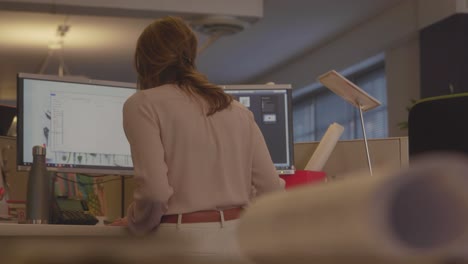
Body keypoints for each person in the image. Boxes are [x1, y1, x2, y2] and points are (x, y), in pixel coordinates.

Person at [113, 16, 284, 259]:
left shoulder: (142, 104)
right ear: (191, 55)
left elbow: (154, 192)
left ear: (143, 61)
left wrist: (135, 223)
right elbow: (271, 188)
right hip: (239, 241)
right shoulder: (237, 109)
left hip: (181, 241)